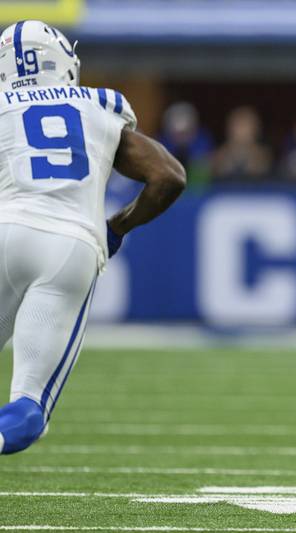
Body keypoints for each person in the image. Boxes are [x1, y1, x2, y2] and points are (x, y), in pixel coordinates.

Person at [0, 21, 185, 454]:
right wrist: (115, 228)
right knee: (28, 412)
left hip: (4, 230)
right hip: (69, 245)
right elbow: (169, 177)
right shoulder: (98, 104)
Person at [211, 106, 273, 183]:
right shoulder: (219, 154)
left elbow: (260, 170)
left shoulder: (263, 154)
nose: (241, 131)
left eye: (245, 125)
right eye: (238, 125)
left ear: (255, 129)